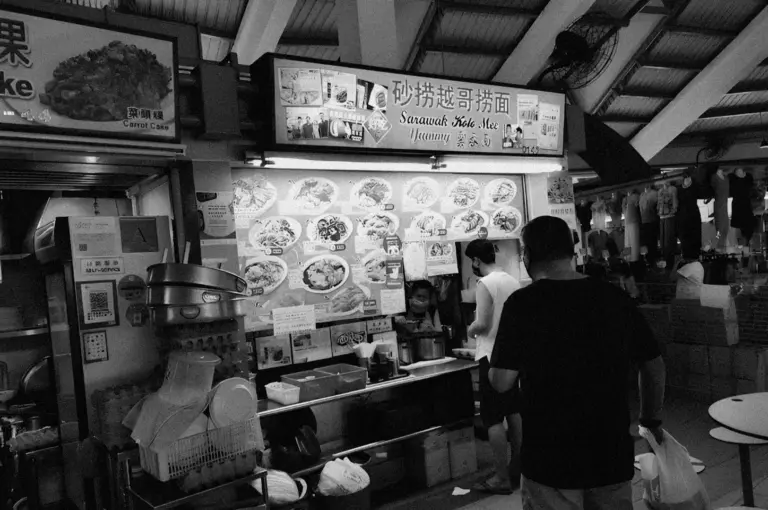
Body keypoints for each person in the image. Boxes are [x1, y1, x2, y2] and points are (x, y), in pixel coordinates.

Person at [489, 216, 666, 510]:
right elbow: (653, 365)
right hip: (610, 453)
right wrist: (650, 420)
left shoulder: (522, 304)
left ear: (528, 255)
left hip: (549, 458)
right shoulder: (615, 298)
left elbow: (501, 381)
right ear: (572, 252)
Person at [464, 240, 521, 494]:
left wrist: (470, 328)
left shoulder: (485, 284)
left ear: (476, 260)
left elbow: (483, 324)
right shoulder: (511, 280)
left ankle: (501, 478)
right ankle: (518, 468)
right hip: (513, 355)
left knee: (492, 417)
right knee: (513, 410)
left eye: (471, 262)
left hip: (491, 356)